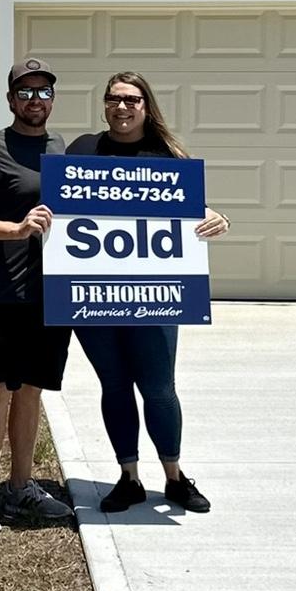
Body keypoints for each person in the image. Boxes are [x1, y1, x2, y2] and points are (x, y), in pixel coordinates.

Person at [68, 70, 231, 515]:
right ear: (104, 104)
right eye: (113, 99)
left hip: (153, 294)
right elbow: (62, 209)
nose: (121, 107)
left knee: (159, 388)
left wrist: (217, 217)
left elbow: (190, 210)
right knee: (115, 385)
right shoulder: (82, 151)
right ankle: (130, 478)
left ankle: (174, 478)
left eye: (131, 99)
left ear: (146, 105)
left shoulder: (168, 156)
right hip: (93, 293)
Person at [0, 58, 76, 534]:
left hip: (51, 293)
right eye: (25, 92)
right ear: (10, 100)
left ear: (52, 99)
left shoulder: (61, 149)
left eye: (43, 92)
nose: (35, 100)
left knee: (31, 390)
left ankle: (21, 485)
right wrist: (16, 229)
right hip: (3, 291)